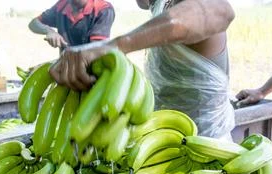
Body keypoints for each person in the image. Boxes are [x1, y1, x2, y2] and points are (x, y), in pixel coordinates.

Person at [50, 0, 235, 139]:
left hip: (206, 150)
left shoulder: (184, 4)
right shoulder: (161, 6)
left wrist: (112, 46)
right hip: (164, 144)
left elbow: (222, 11)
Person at [29, 0, 115, 50]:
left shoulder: (103, 9)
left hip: (92, 70)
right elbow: (33, 23)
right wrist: (49, 31)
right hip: (67, 67)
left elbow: (95, 50)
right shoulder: (61, 5)